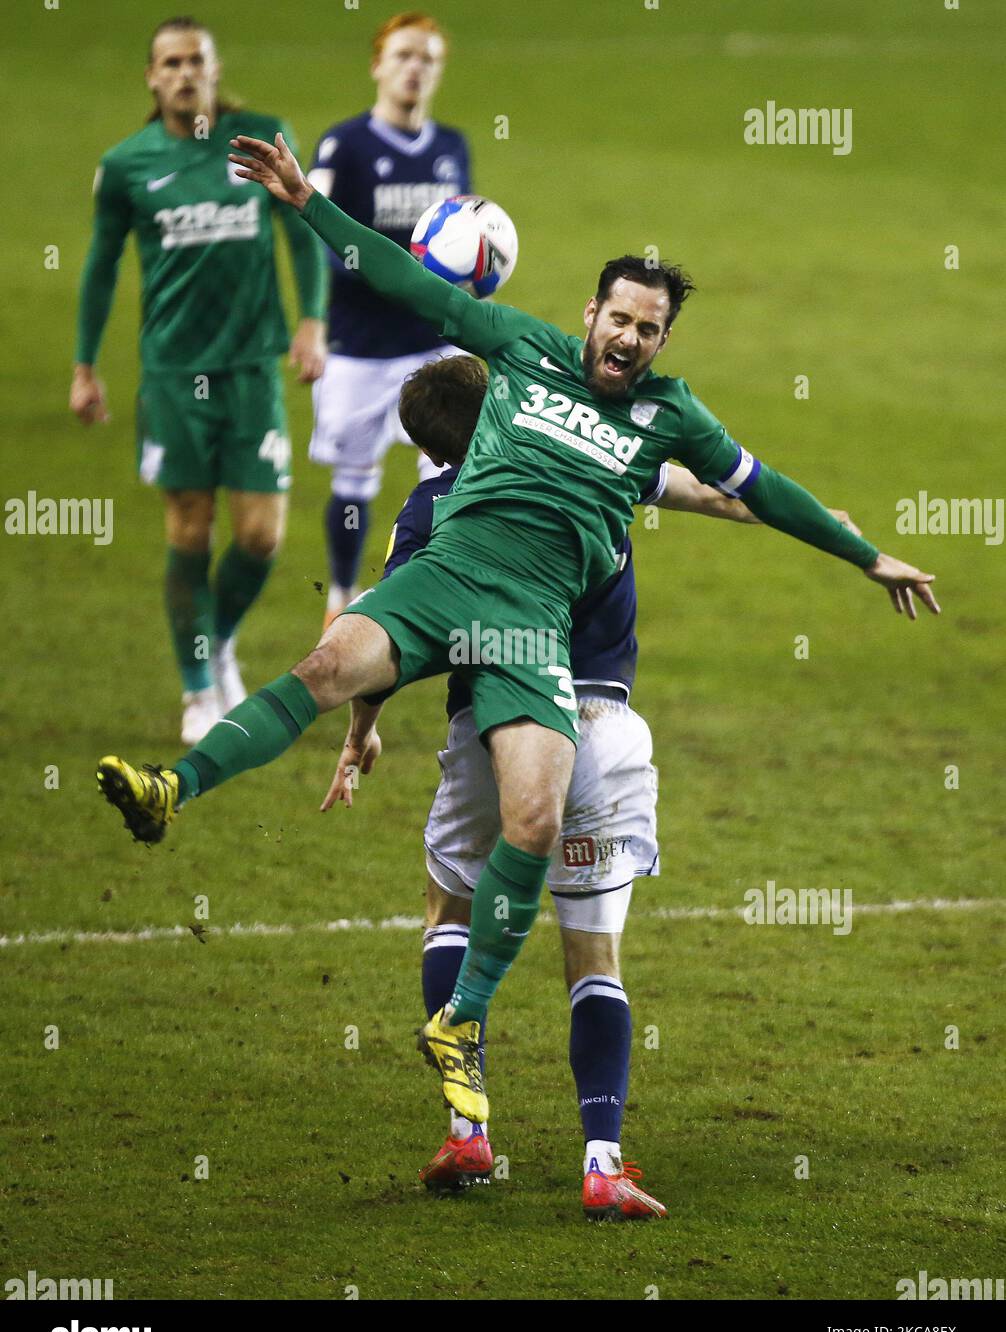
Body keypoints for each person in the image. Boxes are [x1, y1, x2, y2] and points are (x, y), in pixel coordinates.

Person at [97, 131, 939, 1148]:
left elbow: (761, 489)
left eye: (649, 329)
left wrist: (867, 556)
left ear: (663, 342)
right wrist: (302, 202)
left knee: (533, 821)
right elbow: (405, 279)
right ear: (591, 313)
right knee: (322, 668)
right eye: (619, 318)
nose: (629, 338)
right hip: (446, 579)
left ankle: (459, 1024)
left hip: (531, 623)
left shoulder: (673, 418)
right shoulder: (520, 346)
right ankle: (170, 789)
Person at [333, 355, 857, 1218]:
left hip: (492, 734)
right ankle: (602, 1161)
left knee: (451, 912)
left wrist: (362, 731)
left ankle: (468, 1132)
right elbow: (719, 489)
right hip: (603, 737)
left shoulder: (430, 509)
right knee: (594, 956)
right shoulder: (596, 458)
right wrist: (818, 527)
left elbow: (386, 628)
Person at [71, 18, 327, 744]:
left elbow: (301, 227)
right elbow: (98, 267)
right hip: (175, 375)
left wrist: (312, 321)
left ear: (215, 71)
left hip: (251, 369)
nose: (186, 73)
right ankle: (196, 688)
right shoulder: (126, 165)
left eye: (197, 61)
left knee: (260, 536)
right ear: (153, 78)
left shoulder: (260, 139)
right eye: (172, 63)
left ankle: (216, 644)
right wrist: (85, 366)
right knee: (189, 528)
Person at [306, 11, 471, 625]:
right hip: (359, 345)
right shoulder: (343, 145)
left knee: (456, 471)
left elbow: (464, 235)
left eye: (427, 58)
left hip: (434, 342)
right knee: (354, 477)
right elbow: (320, 237)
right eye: (403, 55)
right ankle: (341, 596)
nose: (415, 68)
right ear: (378, 64)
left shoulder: (451, 148)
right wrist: (397, 271)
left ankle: (439, 587)